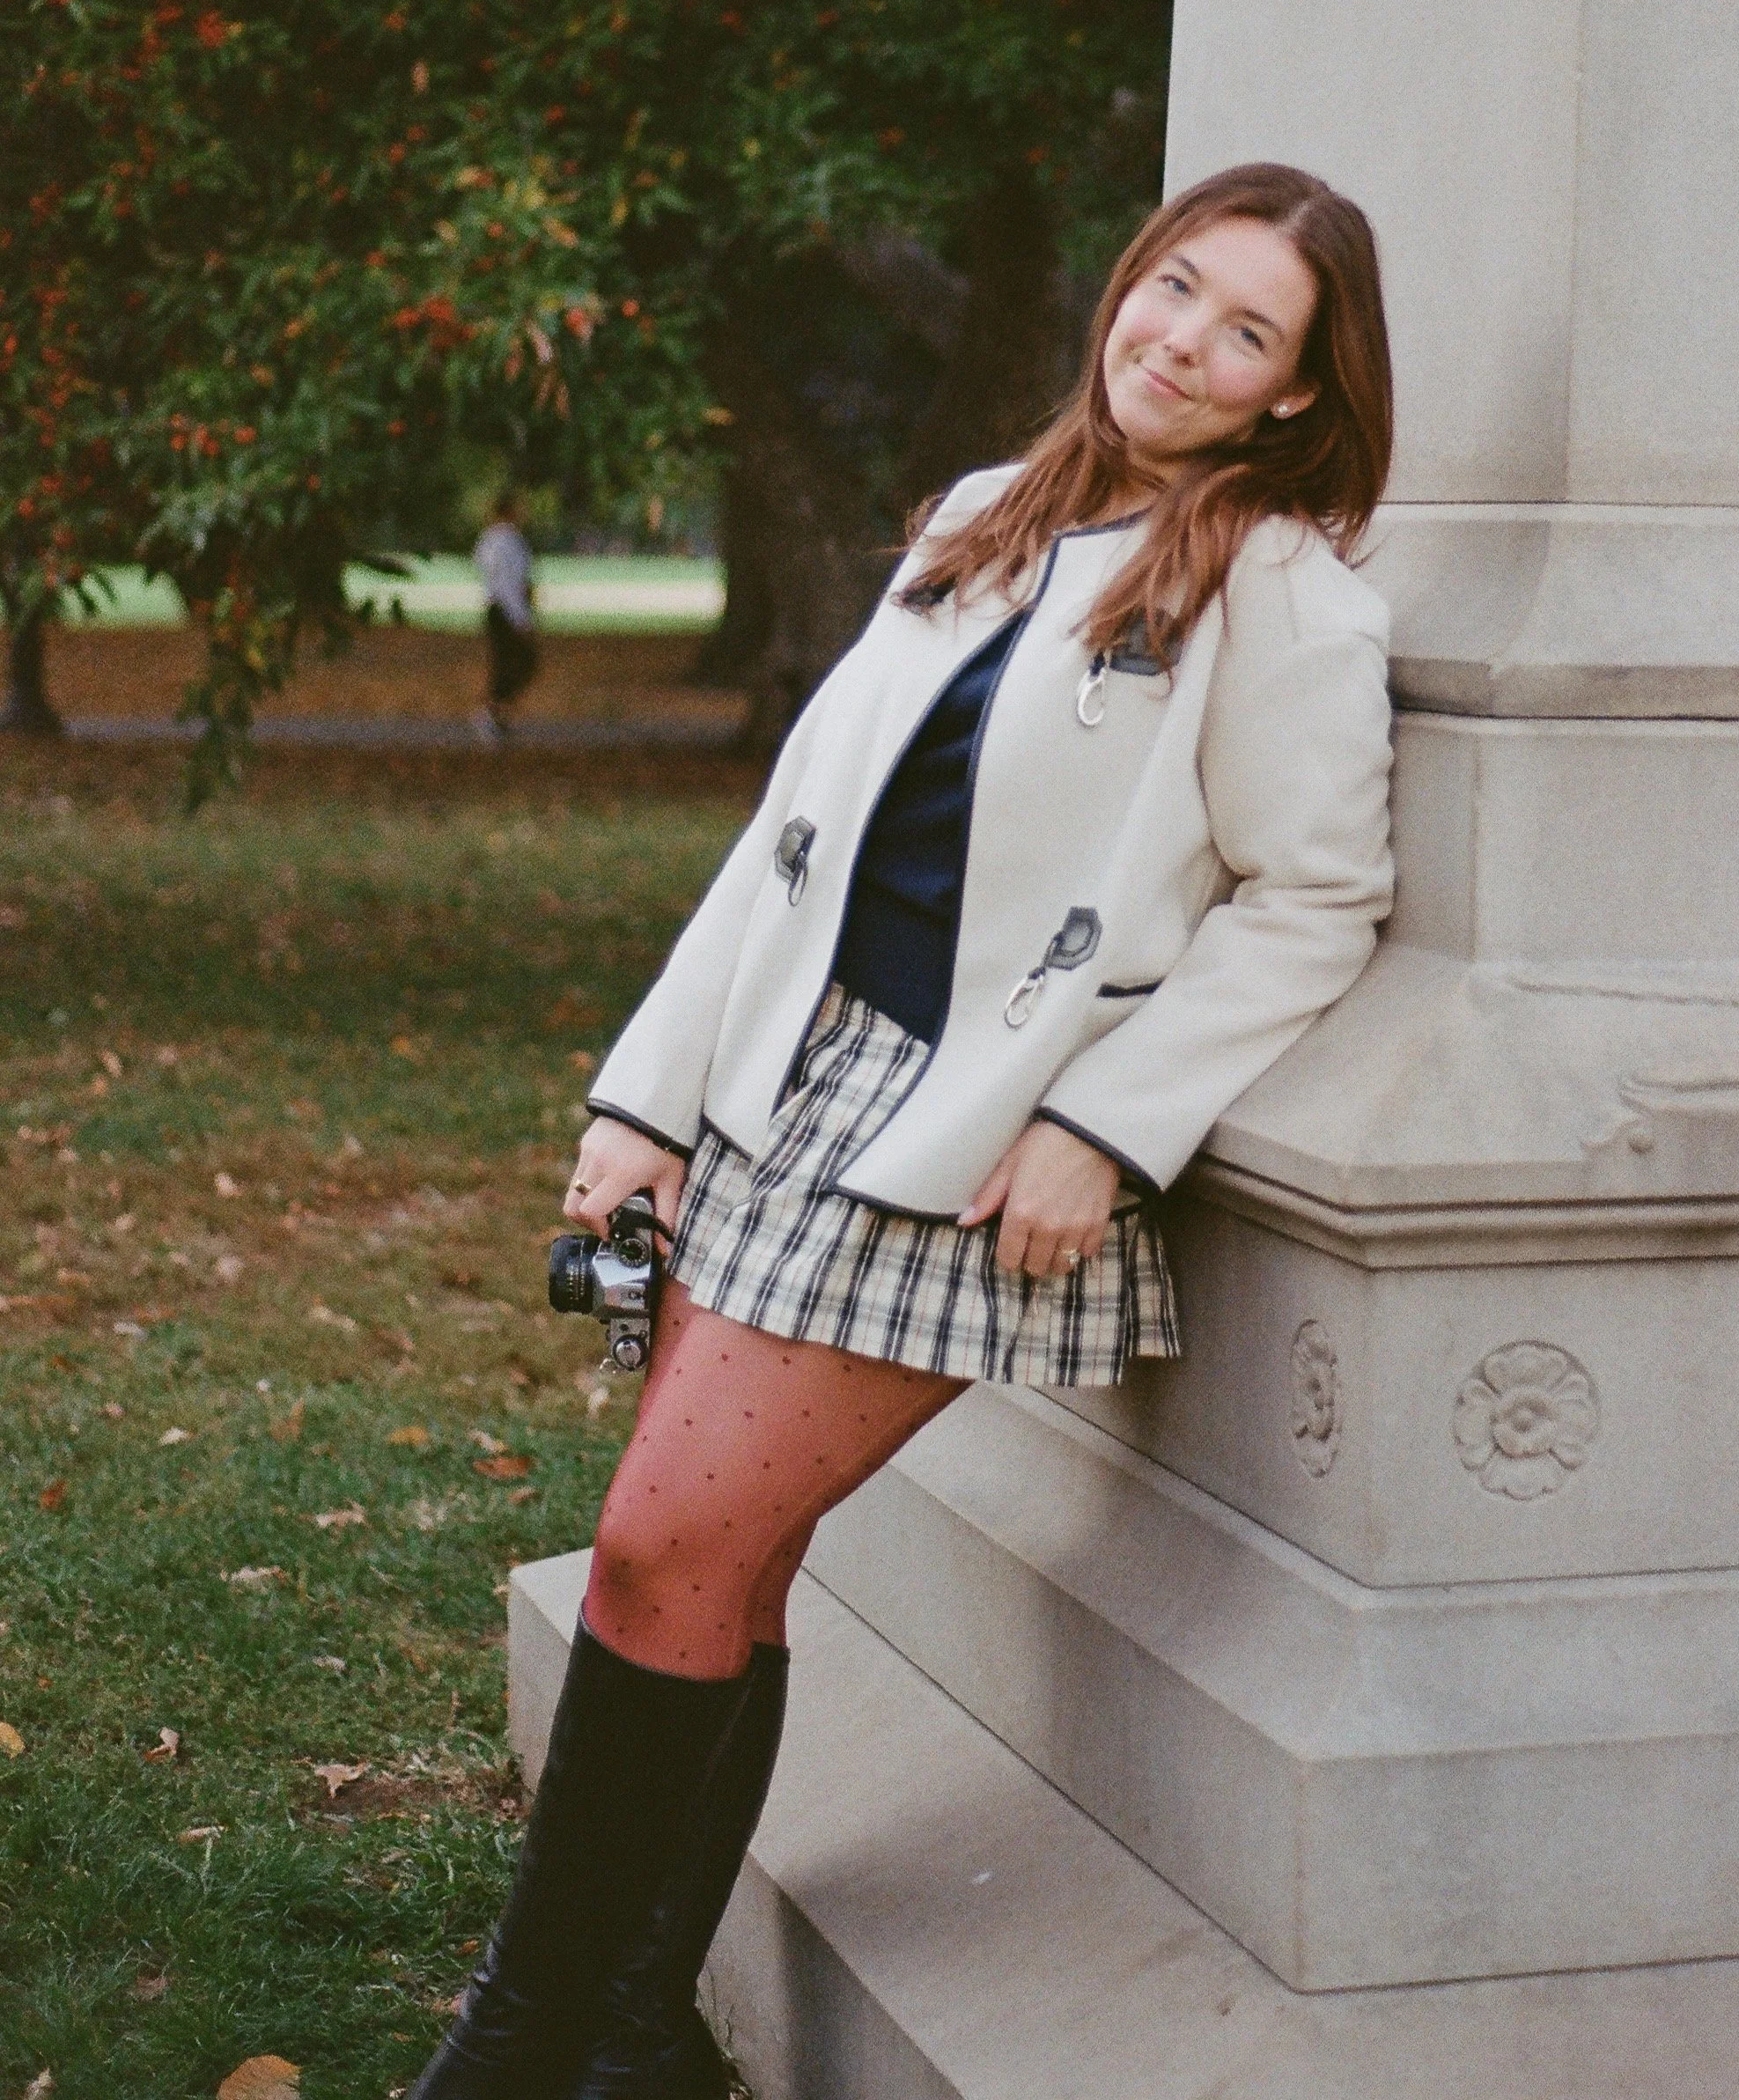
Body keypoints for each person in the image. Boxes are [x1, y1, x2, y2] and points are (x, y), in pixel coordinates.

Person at [410, 162, 1397, 2099]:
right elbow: (792, 833)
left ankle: (508, 2056)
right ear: (1125, 282)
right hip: (792, 1078)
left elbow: (1314, 898)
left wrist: (1107, 1125)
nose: (1179, 340)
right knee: (726, 1569)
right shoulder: (983, 517)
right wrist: (647, 1093)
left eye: (1243, 330)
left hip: (968, 1131)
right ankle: (630, 2038)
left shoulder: (1278, 593)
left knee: (650, 1552)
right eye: (1172, 288)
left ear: (1296, 391)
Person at [473, 494, 539, 741]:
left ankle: (497, 715)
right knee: (520, 663)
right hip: (506, 610)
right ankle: (491, 713)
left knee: (506, 663)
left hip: (496, 608)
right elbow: (509, 584)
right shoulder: (508, 542)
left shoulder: (488, 539)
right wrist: (521, 619)